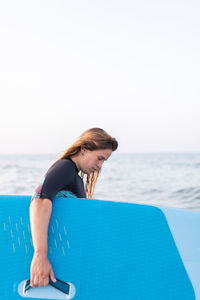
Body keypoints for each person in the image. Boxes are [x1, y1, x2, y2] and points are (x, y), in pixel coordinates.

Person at [29, 128, 118, 288]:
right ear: (84, 149)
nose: (100, 165)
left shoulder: (73, 174)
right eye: (99, 158)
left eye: (103, 161)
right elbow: (40, 201)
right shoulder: (65, 167)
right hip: (54, 258)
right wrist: (40, 255)